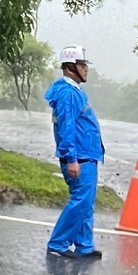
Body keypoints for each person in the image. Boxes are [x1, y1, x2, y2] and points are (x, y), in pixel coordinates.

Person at [44, 46, 104, 259]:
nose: (86, 69)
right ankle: (58, 243)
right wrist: (72, 159)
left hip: (86, 155)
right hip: (80, 157)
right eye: (83, 65)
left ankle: (84, 245)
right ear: (71, 68)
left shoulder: (72, 91)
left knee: (86, 203)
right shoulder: (68, 94)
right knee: (81, 201)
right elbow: (67, 127)